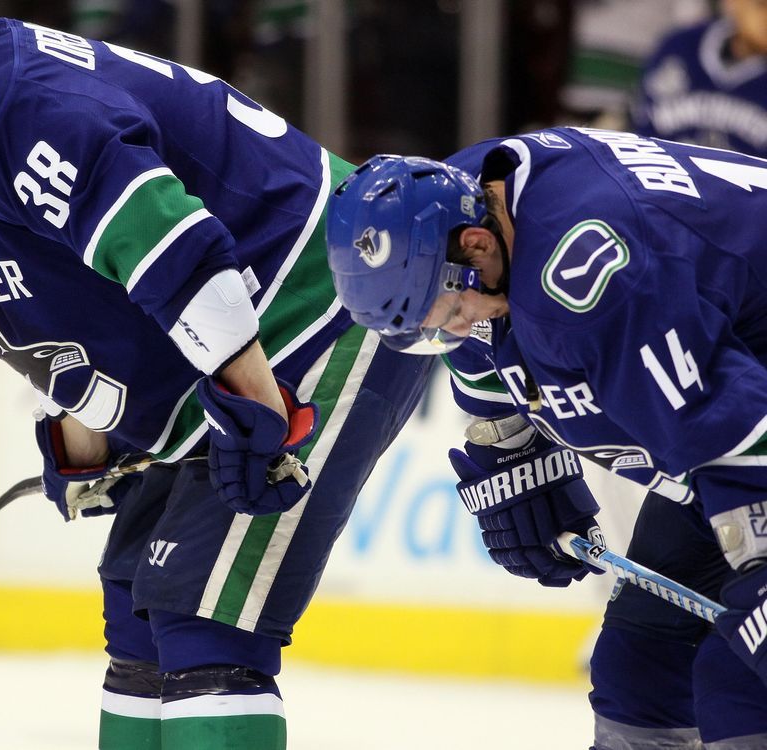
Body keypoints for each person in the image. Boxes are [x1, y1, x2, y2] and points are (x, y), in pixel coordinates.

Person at [0, 15, 440, 750]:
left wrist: (259, 411)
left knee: (205, 623)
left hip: (315, 311)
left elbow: (171, 244)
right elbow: (73, 310)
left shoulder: (7, 110)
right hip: (225, 350)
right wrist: (88, 440)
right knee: (138, 612)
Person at [325, 130, 767, 749]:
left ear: (477, 247)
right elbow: (480, 353)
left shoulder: (590, 278)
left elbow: (731, 423)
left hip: (747, 434)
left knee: (738, 683)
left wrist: (759, 553)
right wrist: (513, 447)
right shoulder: (460, 200)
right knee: (638, 667)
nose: (462, 328)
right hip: (733, 412)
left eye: (455, 313)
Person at [631, 0, 767, 157]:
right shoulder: (681, 47)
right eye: (761, 5)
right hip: (661, 173)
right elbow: (643, 126)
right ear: (734, 3)